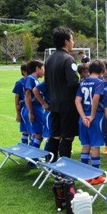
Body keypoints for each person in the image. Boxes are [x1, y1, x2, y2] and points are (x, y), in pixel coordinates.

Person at [44, 27, 80, 162]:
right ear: (66, 41)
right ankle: (64, 169)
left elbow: (47, 82)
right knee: (68, 136)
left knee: (55, 135)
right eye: (72, 39)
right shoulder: (68, 59)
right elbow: (73, 82)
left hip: (54, 103)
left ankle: (51, 164)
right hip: (68, 105)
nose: (73, 43)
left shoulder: (49, 59)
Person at [75, 59, 106, 185]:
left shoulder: (83, 82)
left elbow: (77, 101)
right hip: (96, 117)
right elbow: (96, 99)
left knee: (85, 145)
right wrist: (92, 116)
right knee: (95, 146)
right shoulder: (99, 82)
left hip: (83, 118)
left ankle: (85, 174)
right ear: (102, 71)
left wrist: (83, 117)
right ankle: (96, 176)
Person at [23, 60, 45, 149]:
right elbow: (27, 96)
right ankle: (33, 159)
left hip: (37, 109)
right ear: (37, 68)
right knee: (39, 134)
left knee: (36, 133)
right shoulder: (30, 78)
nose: (44, 70)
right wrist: (31, 112)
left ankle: (32, 157)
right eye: (43, 68)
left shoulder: (35, 80)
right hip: (34, 108)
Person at [12, 63, 29, 144]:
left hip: (33, 108)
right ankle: (25, 148)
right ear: (23, 72)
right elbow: (16, 98)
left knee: (31, 131)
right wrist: (18, 114)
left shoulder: (34, 80)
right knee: (26, 130)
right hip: (25, 109)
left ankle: (27, 149)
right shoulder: (20, 83)